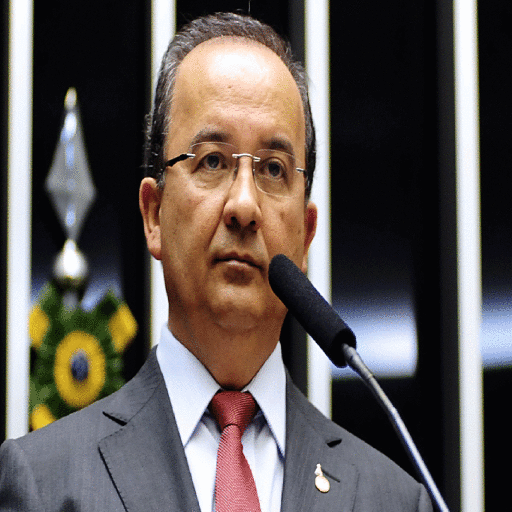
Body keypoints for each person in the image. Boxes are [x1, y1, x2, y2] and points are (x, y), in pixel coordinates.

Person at [0, 12, 432, 512]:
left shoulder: (394, 499)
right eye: (212, 161)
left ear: (306, 234)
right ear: (153, 214)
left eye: (273, 169)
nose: (244, 206)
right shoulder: (45, 482)